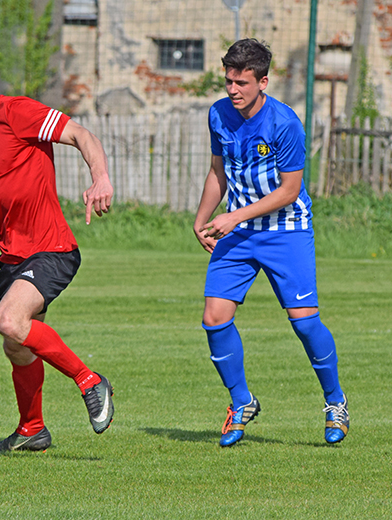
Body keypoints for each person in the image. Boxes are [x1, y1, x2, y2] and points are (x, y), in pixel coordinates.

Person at [0, 46, 115, 452]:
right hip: (13, 255)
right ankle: (32, 429)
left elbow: (81, 134)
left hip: (52, 248)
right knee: (16, 345)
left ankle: (90, 381)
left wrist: (101, 177)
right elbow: (8, 189)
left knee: (7, 319)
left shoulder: (18, 111)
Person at [193, 39, 349, 447]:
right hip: (238, 231)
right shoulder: (218, 114)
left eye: (241, 82)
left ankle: (335, 402)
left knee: (304, 320)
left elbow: (289, 191)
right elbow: (217, 172)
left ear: (263, 81)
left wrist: (233, 216)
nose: (232, 89)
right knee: (214, 318)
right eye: (228, 80)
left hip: (286, 230)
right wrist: (201, 218)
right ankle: (241, 402)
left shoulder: (285, 123)